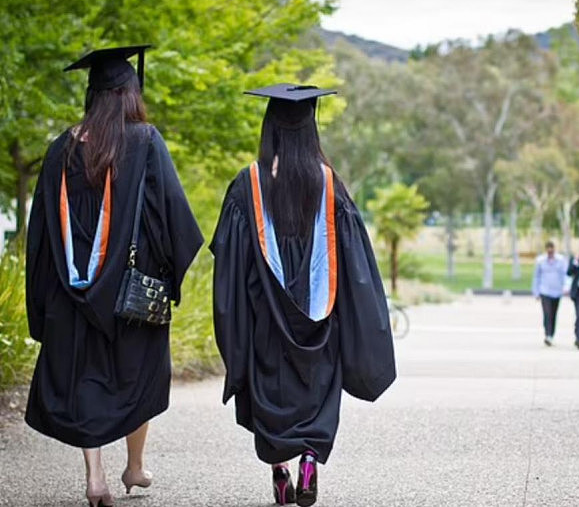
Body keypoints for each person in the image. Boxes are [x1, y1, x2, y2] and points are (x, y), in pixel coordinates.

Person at [25, 46, 203, 507]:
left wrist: (43, 300)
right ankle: (135, 466)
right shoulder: (143, 140)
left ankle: (96, 475)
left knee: (85, 378)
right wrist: (168, 275)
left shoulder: (59, 150)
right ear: (129, 94)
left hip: (71, 292)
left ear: (92, 95)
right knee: (137, 375)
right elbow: (175, 218)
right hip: (130, 293)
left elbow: (40, 232)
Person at [211, 83, 396, 507]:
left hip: (264, 325)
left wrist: (233, 322)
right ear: (311, 129)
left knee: (269, 395)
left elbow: (229, 264)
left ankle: (280, 472)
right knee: (315, 393)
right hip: (320, 324)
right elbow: (355, 266)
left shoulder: (247, 185)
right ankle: (309, 459)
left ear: (269, 127)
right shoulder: (330, 184)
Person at [532, 241, 567, 346]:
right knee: (547, 313)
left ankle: (552, 334)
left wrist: (565, 287)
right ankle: (547, 335)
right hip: (545, 291)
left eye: (552, 249)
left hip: (557, 291)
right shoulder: (540, 261)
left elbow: (564, 275)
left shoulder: (560, 260)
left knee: (553, 314)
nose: (550, 251)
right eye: (548, 249)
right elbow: (536, 277)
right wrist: (536, 292)